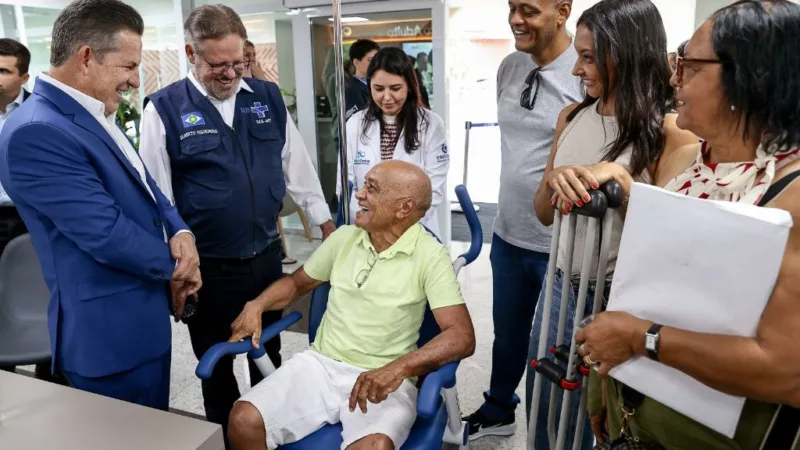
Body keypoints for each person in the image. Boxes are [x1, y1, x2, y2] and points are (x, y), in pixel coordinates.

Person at [550, 1, 800, 448]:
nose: (672, 78)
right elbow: (659, 275)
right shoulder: (688, 162)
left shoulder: (791, 195)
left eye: (690, 65)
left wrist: (636, 339)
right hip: (638, 416)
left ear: (749, 76)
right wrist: (606, 385)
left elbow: (788, 372)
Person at [138, 3, 335, 440]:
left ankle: (274, 433)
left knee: (269, 352)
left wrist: (326, 226)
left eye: (238, 62)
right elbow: (157, 194)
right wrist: (174, 265)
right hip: (208, 266)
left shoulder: (265, 98)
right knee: (217, 366)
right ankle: (227, 441)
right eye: (217, 65)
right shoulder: (164, 109)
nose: (230, 74)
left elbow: (297, 168)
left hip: (265, 259)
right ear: (191, 53)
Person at [0, 0, 201, 410]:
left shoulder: (93, 112)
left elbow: (148, 187)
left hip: (139, 317)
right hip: (108, 335)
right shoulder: (37, 131)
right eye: (128, 67)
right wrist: (177, 266)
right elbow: (105, 232)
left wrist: (181, 231)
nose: (134, 79)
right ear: (86, 57)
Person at [527, 1, 699, 448]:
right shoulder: (572, 117)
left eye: (588, 57)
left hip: (616, 298)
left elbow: (667, 247)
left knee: (598, 417)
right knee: (543, 403)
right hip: (560, 284)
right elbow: (543, 213)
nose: (576, 70)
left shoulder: (671, 134)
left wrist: (620, 184)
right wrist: (558, 182)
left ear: (627, 55)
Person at [226, 160, 476, 450]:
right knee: (243, 419)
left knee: (373, 447)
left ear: (404, 208)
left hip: (384, 379)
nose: (359, 194)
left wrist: (397, 369)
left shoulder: (430, 256)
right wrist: (257, 304)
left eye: (372, 188)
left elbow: (461, 336)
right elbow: (296, 284)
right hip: (321, 365)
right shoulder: (344, 237)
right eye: (364, 185)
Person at [463, 0, 584, 439]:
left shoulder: (584, 69)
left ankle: (551, 435)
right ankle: (499, 408)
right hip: (509, 232)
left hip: (561, 242)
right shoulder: (510, 67)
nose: (516, 19)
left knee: (550, 352)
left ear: (562, 11)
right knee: (508, 335)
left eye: (529, 10)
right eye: (512, 8)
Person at [340, 47, 448, 237]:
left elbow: (433, 188)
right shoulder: (355, 124)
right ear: (369, 86)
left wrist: (397, 223)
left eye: (395, 88)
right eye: (379, 89)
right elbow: (345, 186)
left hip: (414, 228)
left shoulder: (431, 124)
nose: (387, 97)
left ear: (408, 85)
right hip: (365, 229)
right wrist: (374, 220)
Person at [344, 39, 379, 121]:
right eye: (370, 60)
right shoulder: (352, 90)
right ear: (356, 62)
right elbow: (356, 121)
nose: (376, 63)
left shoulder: (374, 83)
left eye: (377, 59)